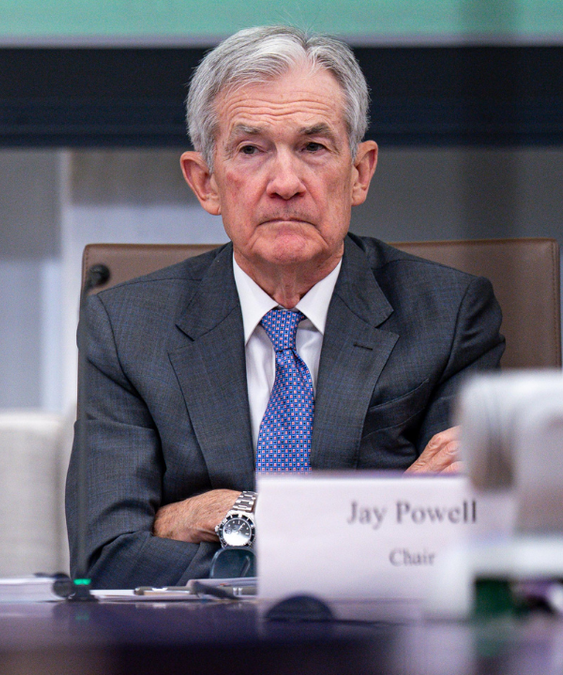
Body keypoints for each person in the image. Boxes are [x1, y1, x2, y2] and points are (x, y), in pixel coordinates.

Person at [65, 25, 504, 589]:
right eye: (251, 150)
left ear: (359, 173)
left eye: (314, 148)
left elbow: (460, 544)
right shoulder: (125, 329)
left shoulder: (450, 316)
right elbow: (104, 561)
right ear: (206, 183)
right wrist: (386, 514)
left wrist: (230, 516)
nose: (286, 183)